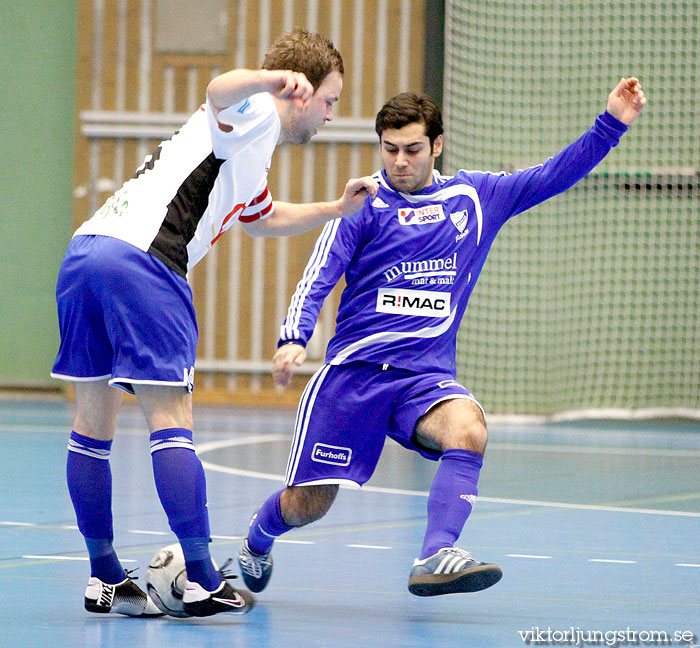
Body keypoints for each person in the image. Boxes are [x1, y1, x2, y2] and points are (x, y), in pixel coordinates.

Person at [236, 78, 647, 597]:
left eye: (411, 150)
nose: (399, 162)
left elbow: (552, 176)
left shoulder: (474, 197)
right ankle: (257, 538)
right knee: (306, 505)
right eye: (389, 150)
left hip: (423, 379)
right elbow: (319, 273)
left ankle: (436, 553)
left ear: (437, 145)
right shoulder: (361, 203)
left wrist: (610, 125)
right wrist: (293, 336)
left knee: (469, 429)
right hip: (354, 376)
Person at [50, 28, 377, 618]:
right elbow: (219, 88)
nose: (332, 115)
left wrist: (334, 209)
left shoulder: (250, 148)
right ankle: (200, 579)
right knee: (170, 422)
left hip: (88, 251)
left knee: (92, 424)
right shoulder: (253, 111)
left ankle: (106, 579)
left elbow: (259, 218)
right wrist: (267, 77)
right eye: (330, 100)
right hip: (145, 261)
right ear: (300, 91)